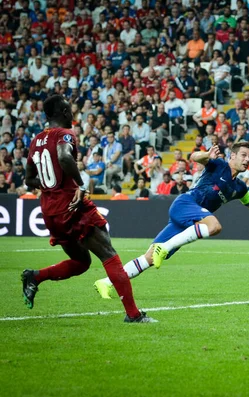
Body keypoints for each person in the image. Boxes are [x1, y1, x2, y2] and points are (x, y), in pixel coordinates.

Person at [21, 95, 154, 323]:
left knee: (81, 262)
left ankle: (35, 277)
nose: (72, 115)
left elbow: (28, 180)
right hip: (72, 206)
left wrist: (50, 185)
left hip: (50, 212)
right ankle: (133, 315)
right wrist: (80, 184)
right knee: (109, 255)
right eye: (70, 110)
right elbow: (64, 157)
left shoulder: (36, 141)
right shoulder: (65, 134)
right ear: (63, 112)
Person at [93, 142, 249, 298]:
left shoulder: (240, 188)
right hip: (185, 204)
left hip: (190, 218)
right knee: (214, 226)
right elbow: (194, 157)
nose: (247, 159)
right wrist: (206, 155)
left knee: (149, 258)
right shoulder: (218, 165)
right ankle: (165, 248)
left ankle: (106, 282)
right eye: (243, 155)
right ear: (232, 156)